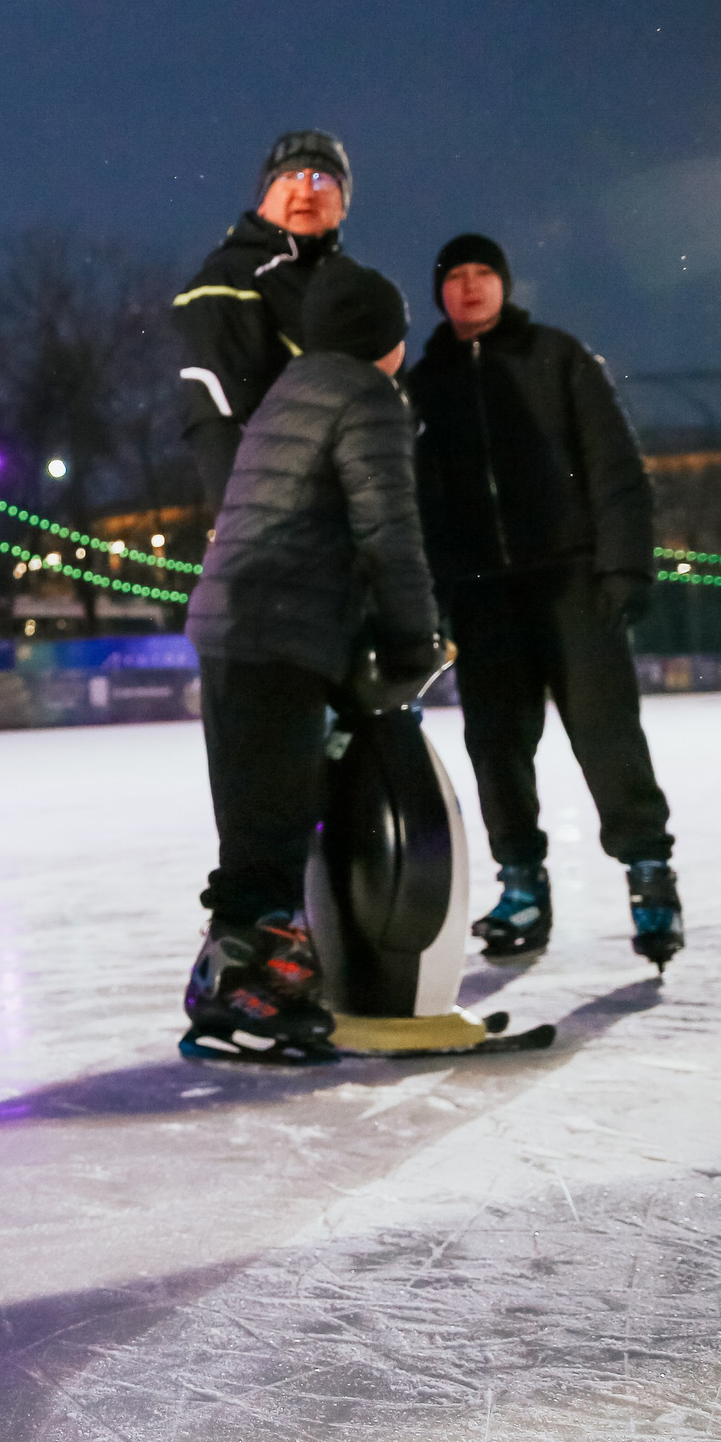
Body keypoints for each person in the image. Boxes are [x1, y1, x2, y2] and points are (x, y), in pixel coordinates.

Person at [180, 257, 441, 1064]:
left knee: (256, 820)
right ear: (386, 339)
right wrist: (414, 638)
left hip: (232, 623)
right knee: (276, 822)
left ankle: (233, 978)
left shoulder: (290, 390)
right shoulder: (369, 396)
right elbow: (387, 531)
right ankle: (251, 987)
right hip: (280, 627)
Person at [402, 234, 680, 968]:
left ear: (505, 283)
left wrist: (622, 566)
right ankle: (521, 882)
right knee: (496, 746)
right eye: (455, 277)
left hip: (571, 580)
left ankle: (649, 874)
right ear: (440, 293)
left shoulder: (557, 357)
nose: (469, 287)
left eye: (483, 273)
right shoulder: (425, 383)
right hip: (484, 595)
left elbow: (613, 464)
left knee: (607, 735)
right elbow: (417, 501)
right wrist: (434, 594)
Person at [173, 129, 355, 508]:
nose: (306, 191)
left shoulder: (359, 293)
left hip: (367, 533)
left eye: (322, 178)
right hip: (287, 527)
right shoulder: (228, 280)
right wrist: (253, 531)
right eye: (290, 176)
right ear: (263, 198)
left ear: (343, 205)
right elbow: (217, 416)